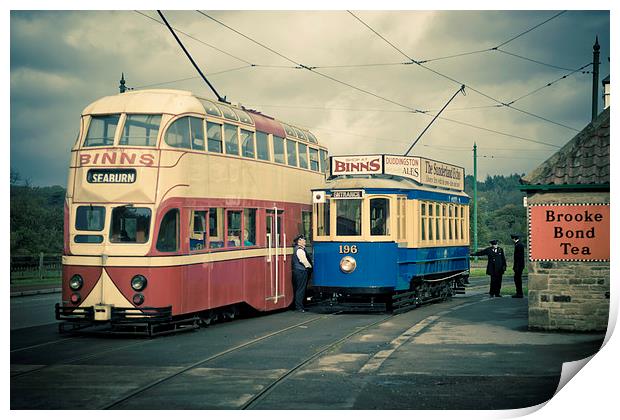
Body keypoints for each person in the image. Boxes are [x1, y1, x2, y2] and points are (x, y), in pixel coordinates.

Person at [292, 234, 312, 312]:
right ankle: (299, 307)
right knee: (301, 289)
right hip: (301, 271)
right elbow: (304, 261)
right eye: (303, 240)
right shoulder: (300, 250)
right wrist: (310, 267)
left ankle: (300, 305)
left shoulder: (298, 249)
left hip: (298, 271)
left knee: (299, 289)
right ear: (299, 241)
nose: (304, 241)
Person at [511, 234, 525, 298]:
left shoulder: (518, 245)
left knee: (517, 279)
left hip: (518, 265)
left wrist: (516, 266)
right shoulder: (520, 244)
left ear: (513, 239)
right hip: (520, 265)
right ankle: (519, 292)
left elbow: (518, 258)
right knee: (517, 279)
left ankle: (519, 293)